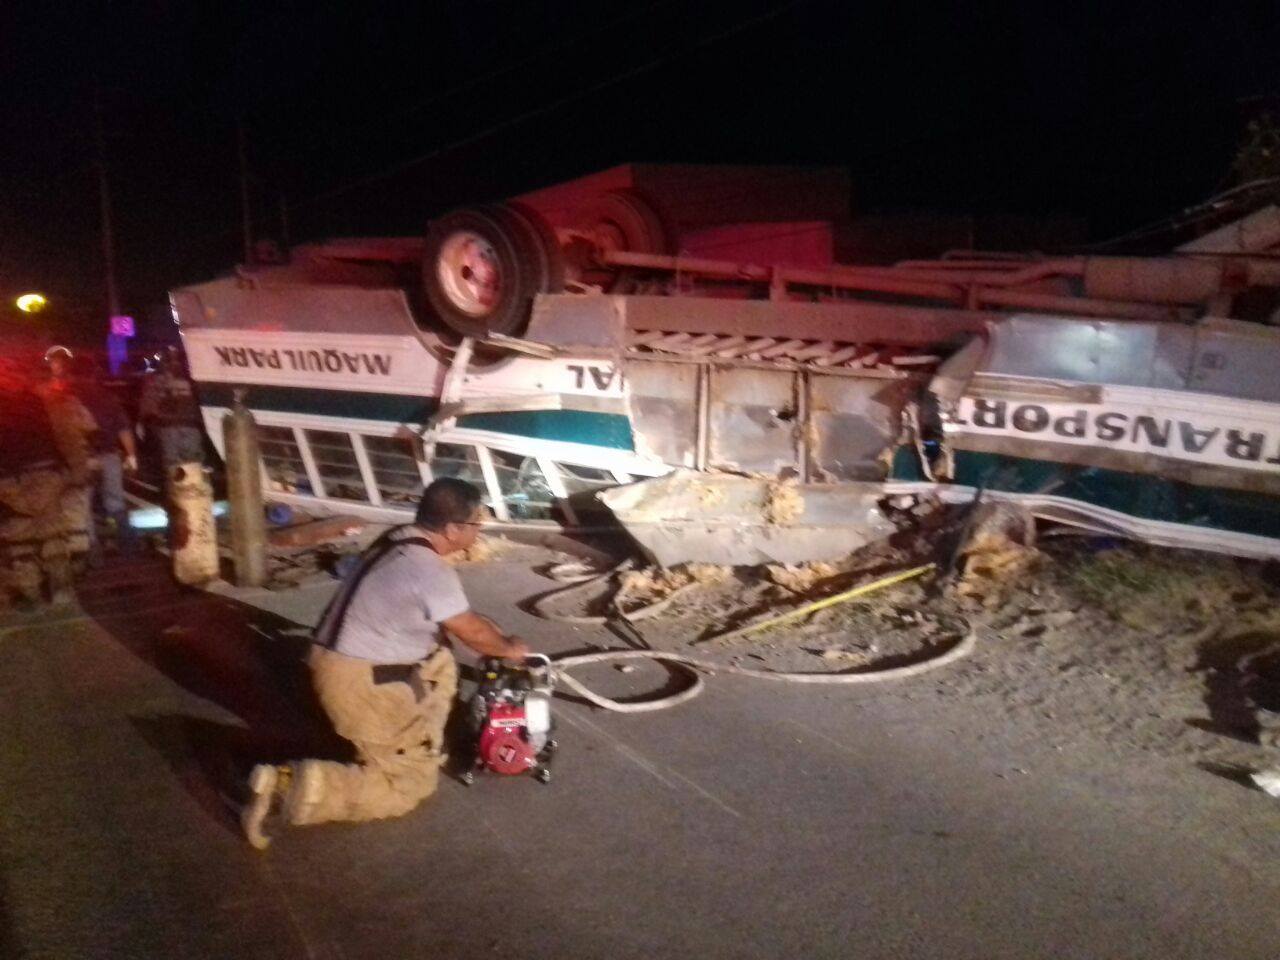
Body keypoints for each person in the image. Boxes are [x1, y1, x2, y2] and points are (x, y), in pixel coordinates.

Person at [242, 478, 530, 849]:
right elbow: (472, 633)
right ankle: (284, 785)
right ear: (453, 529)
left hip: (337, 658)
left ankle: (419, 737)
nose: (480, 530)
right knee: (407, 787)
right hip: (359, 683)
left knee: (441, 658)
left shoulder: (401, 539)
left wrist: (496, 638)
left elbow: (461, 618)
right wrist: (510, 648)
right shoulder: (429, 572)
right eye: (477, 523)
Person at [138, 346, 204, 469]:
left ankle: (177, 485)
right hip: (189, 424)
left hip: (170, 425)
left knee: (174, 467)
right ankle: (191, 485)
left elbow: (149, 402)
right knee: (192, 465)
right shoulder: (192, 376)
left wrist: (143, 421)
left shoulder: (157, 379)